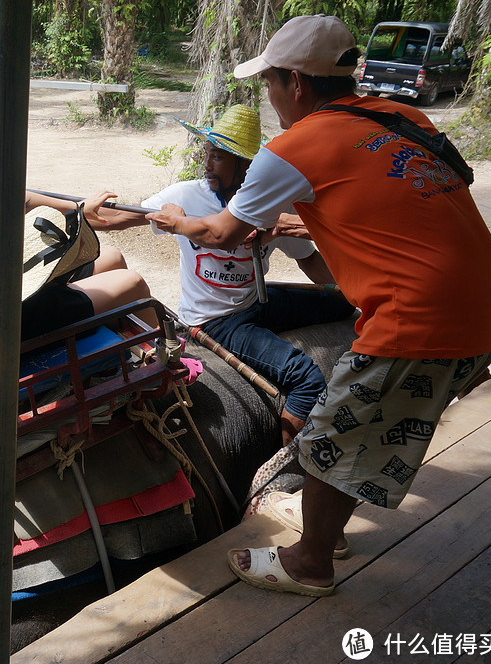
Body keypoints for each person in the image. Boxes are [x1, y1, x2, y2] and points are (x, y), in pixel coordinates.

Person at [149, 14, 491, 597]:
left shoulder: (293, 149)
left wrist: (178, 222)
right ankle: (328, 526)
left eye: (269, 84)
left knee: (330, 432)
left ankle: (310, 561)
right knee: (360, 423)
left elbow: (219, 235)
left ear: (297, 83)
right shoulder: (403, 116)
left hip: (416, 319)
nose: (268, 97)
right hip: (485, 308)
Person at [0, 58, 158, 355]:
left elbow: (72, 208)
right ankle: (164, 370)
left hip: (13, 300)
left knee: (113, 258)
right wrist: (49, 272)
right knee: (131, 282)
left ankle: (122, 353)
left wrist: (152, 215)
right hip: (7, 329)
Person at [142, 105, 355, 447]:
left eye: (219, 158)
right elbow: (123, 216)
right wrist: (92, 209)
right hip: (216, 320)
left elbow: (309, 260)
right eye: (207, 155)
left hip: (256, 300)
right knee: (306, 380)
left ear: (247, 166)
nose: (208, 165)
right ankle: (281, 464)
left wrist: (355, 292)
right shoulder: (184, 196)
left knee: (343, 303)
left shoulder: (272, 205)